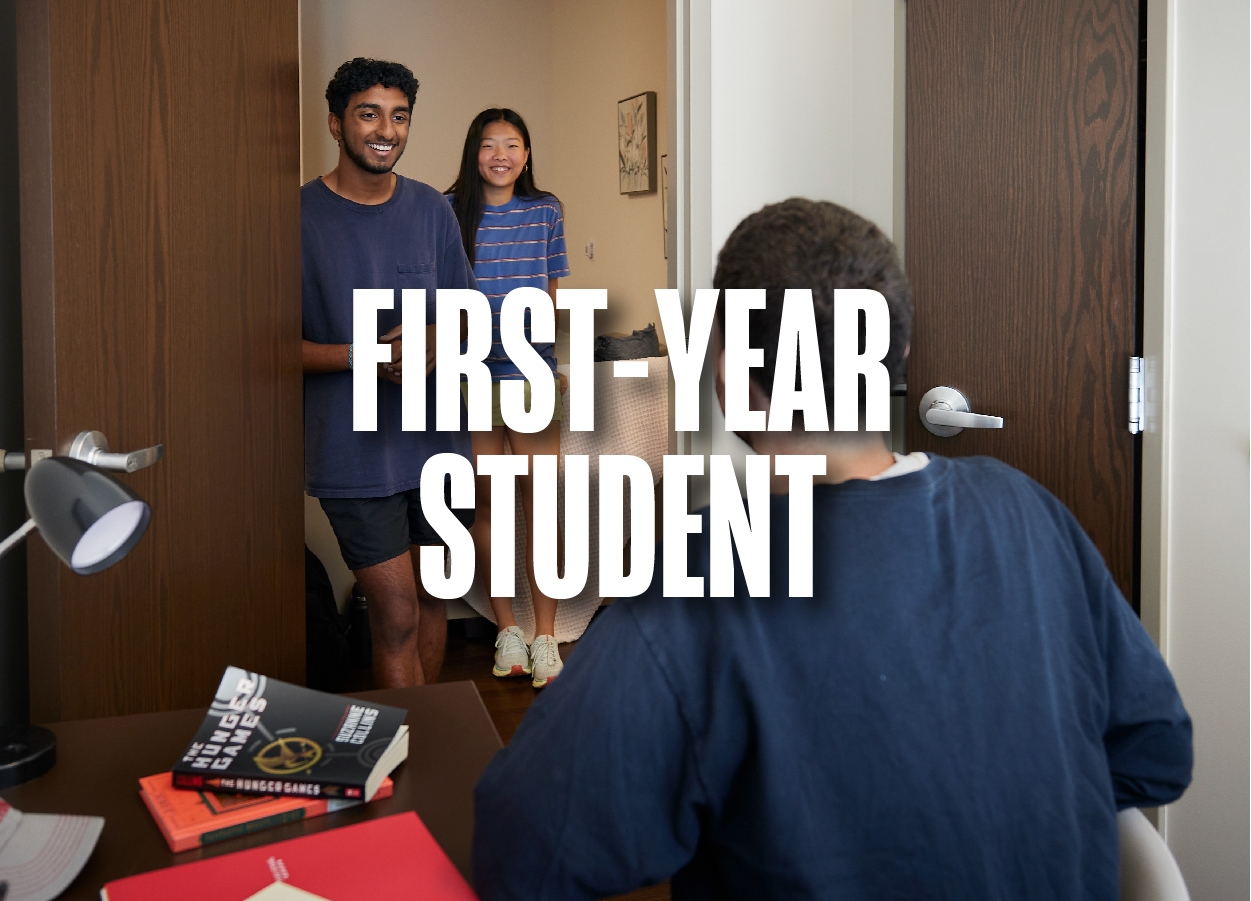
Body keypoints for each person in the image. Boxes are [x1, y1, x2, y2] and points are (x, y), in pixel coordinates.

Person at [471, 199, 1193, 899]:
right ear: (898, 353)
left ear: (725, 371)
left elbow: (527, 850)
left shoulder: (707, 566)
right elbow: (1155, 752)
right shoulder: (1026, 507)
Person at [302, 58, 476, 689]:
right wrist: (361, 355)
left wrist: (436, 336)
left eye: (399, 116)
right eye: (368, 113)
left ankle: (425, 755)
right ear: (336, 123)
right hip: (353, 451)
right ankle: (401, 769)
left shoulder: (432, 209)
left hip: (437, 443)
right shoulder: (296, 217)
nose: (386, 130)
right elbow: (261, 348)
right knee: (396, 615)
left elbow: (469, 314)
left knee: (436, 600)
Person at [446, 109, 571, 688]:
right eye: (490, 145)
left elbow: (549, 294)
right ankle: (507, 630)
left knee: (542, 508)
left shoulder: (547, 210)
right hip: (472, 376)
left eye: (513, 144)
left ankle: (546, 636)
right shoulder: (448, 211)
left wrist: (555, 362)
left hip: (531, 375)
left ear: (526, 153)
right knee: (489, 511)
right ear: (474, 153)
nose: (501, 155)